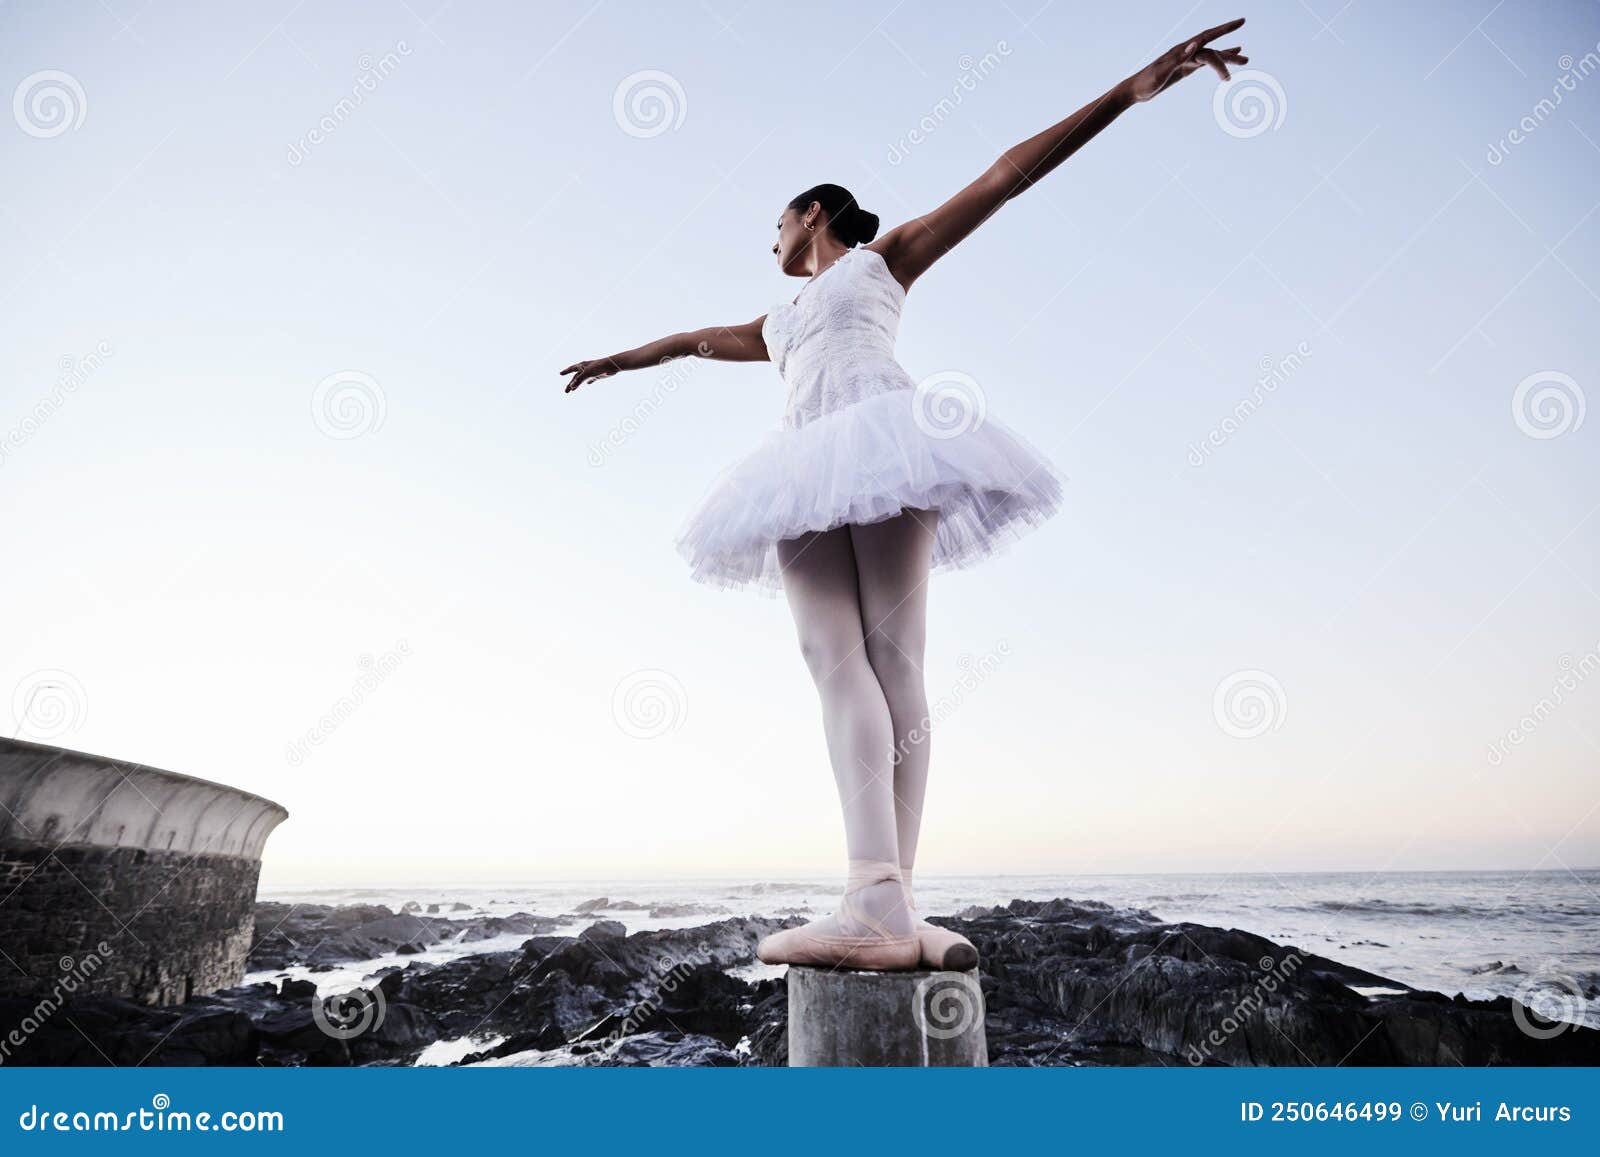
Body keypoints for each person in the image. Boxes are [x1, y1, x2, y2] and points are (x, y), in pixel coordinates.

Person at [561, 20, 1249, 971]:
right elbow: (688, 339)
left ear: (812, 213)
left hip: (885, 443)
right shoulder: (775, 322)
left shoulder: (885, 262)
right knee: (835, 658)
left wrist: (1124, 95)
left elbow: (1004, 176)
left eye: (776, 222)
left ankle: (882, 897)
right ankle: (885, 900)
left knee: (891, 665)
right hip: (802, 467)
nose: (768, 240)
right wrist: (616, 361)